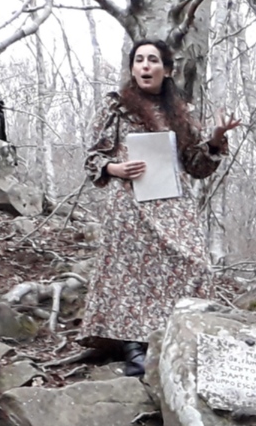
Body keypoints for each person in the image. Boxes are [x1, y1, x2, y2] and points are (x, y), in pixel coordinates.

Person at [83, 39, 240, 376]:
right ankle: (133, 345)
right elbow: (92, 156)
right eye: (138, 60)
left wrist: (214, 139)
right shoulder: (115, 107)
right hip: (129, 200)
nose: (144, 66)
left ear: (167, 70)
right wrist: (114, 168)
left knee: (194, 263)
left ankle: (182, 336)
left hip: (172, 200)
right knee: (130, 271)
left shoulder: (180, 112)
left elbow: (196, 166)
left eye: (152, 60)